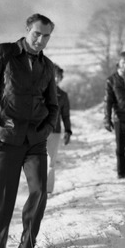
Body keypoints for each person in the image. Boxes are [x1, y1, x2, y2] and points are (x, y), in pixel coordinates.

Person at [0, 13, 59, 248]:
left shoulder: (48, 66)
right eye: (37, 34)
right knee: (2, 199)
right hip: (5, 138)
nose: (41, 40)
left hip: (35, 140)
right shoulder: (5, 53)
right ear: (27, 30)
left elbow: (53, 105)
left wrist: (44, 131)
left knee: (39, 192)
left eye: (46, 36)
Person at [47, 65, 72, 194]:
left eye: (59, 76)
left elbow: (65, 115)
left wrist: (68, 131)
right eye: (54, 75)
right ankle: (36, 188)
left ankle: (48, 190)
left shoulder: (62, 95)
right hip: (38, 131)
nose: (56, 78)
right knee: (36, 161)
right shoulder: (40, 91)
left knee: (51, 162)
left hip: (55, 131)